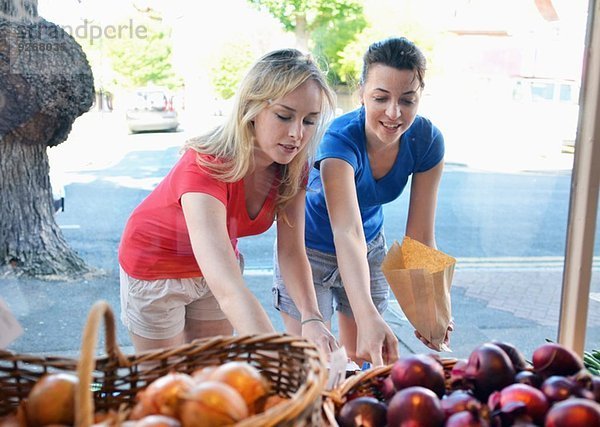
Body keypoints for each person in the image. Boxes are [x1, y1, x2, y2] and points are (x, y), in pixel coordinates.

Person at [118, 48, 339, 356]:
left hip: (217, 268)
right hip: (156, 268)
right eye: (284, 116)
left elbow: (291, 250)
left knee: (211, 378)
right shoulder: (204, 165)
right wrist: (278, 355)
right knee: (167, 385)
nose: (296, 134)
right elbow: (230, 290)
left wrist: (312, 317)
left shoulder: (293, 166)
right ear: (251, 109)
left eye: (309, 120)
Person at [273, 37, 453, 366]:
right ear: (361, 93)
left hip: (368, 247)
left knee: (363, 358)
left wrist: (432, 307)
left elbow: (420, 237)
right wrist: (366, 311)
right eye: (381, 98)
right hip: (310, 253)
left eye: (408, 100)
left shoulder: (427, 141)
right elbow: (346, 231)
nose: (394, 113)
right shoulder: (339, 141)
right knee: (317, 363)